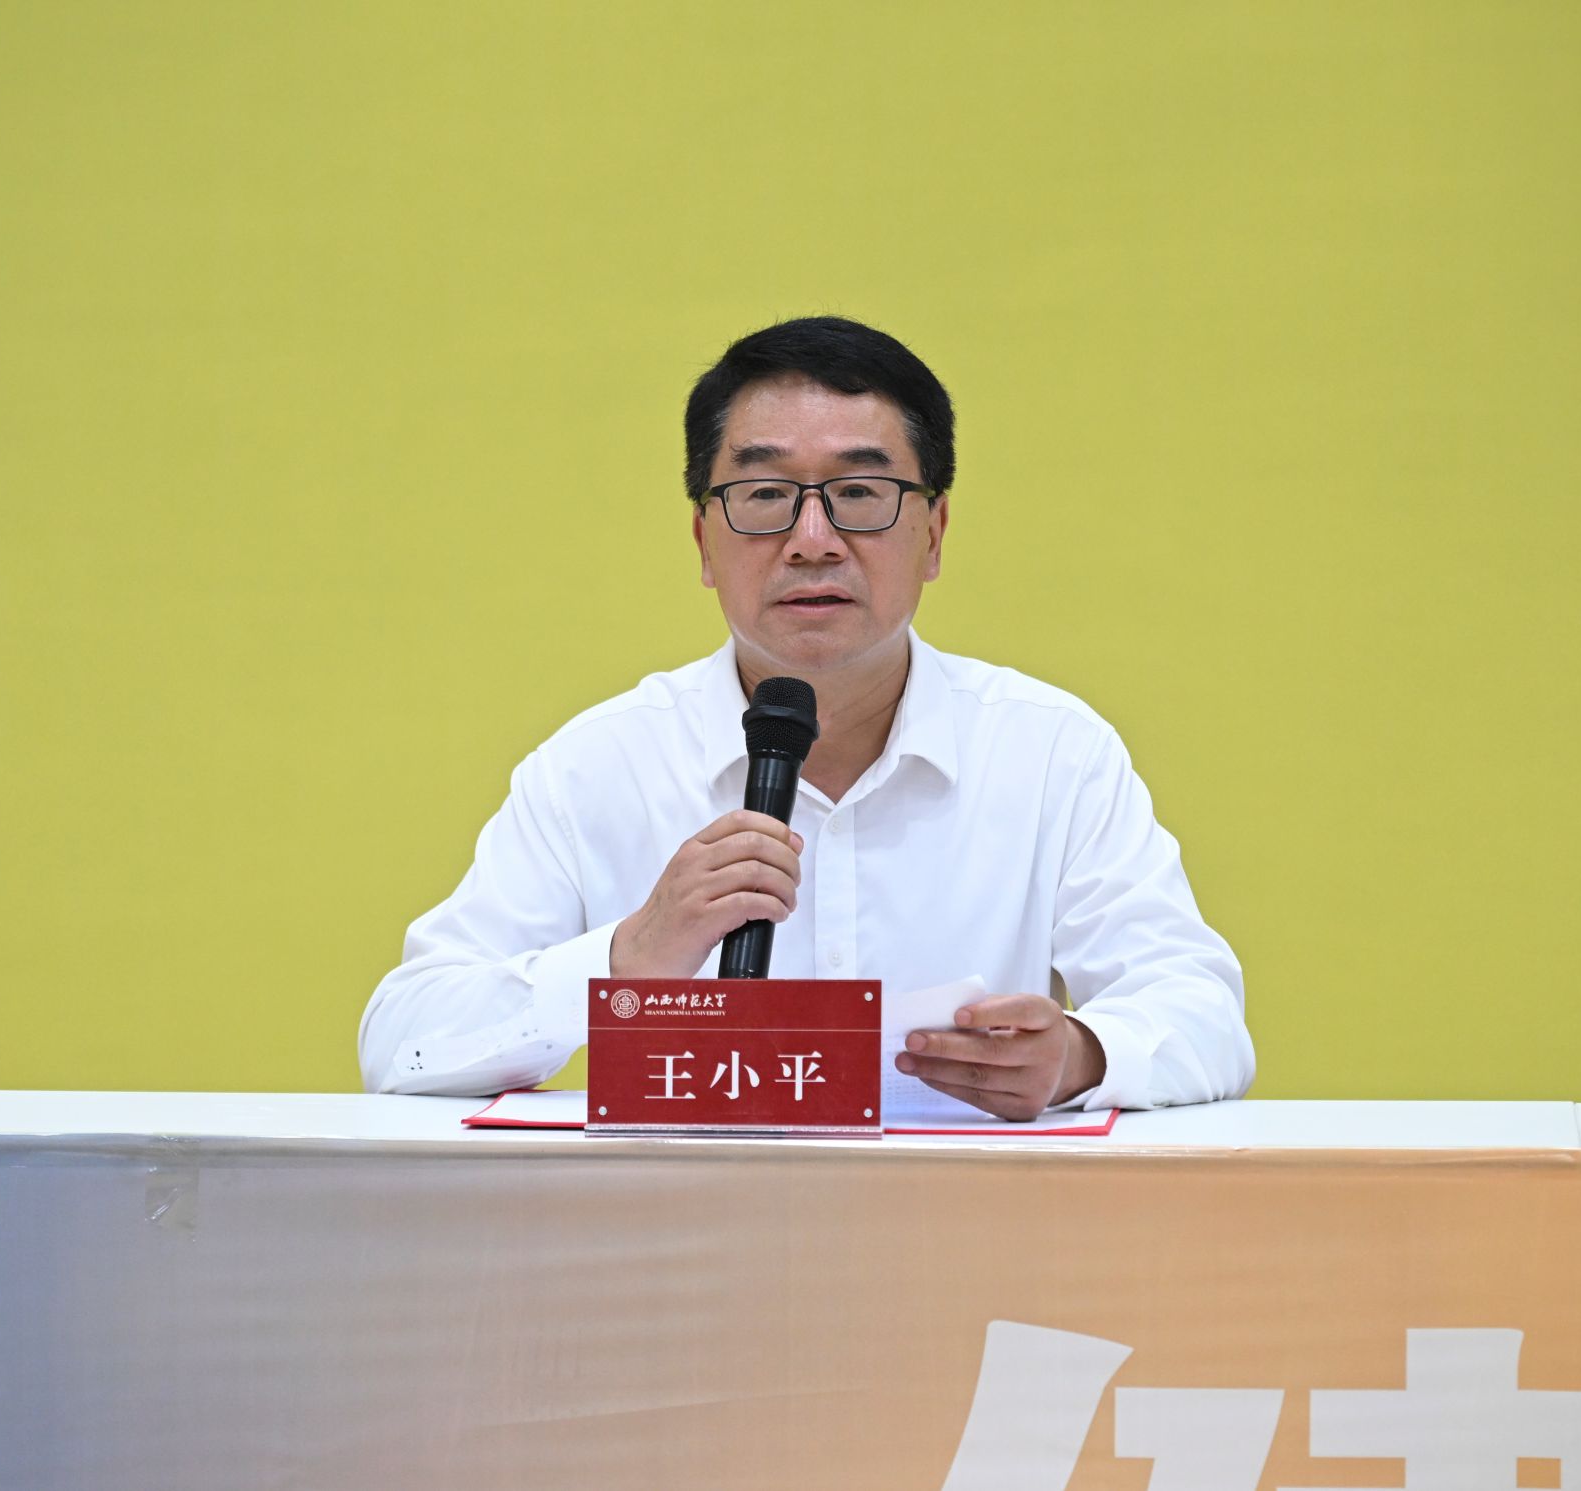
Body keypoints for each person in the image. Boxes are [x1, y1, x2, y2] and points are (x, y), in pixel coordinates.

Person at [360, 316, 1253, 1118]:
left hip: (962, 1232)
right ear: (704, 542)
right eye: (764, 496)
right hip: (676, 1238)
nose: (813, 540)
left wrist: (1077, 1057)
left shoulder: (1051, 753)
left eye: (860, 493)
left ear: (934, 533)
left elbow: (1202, 1009)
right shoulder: (598, 766)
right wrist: (630, 956)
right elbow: (403, 1040)